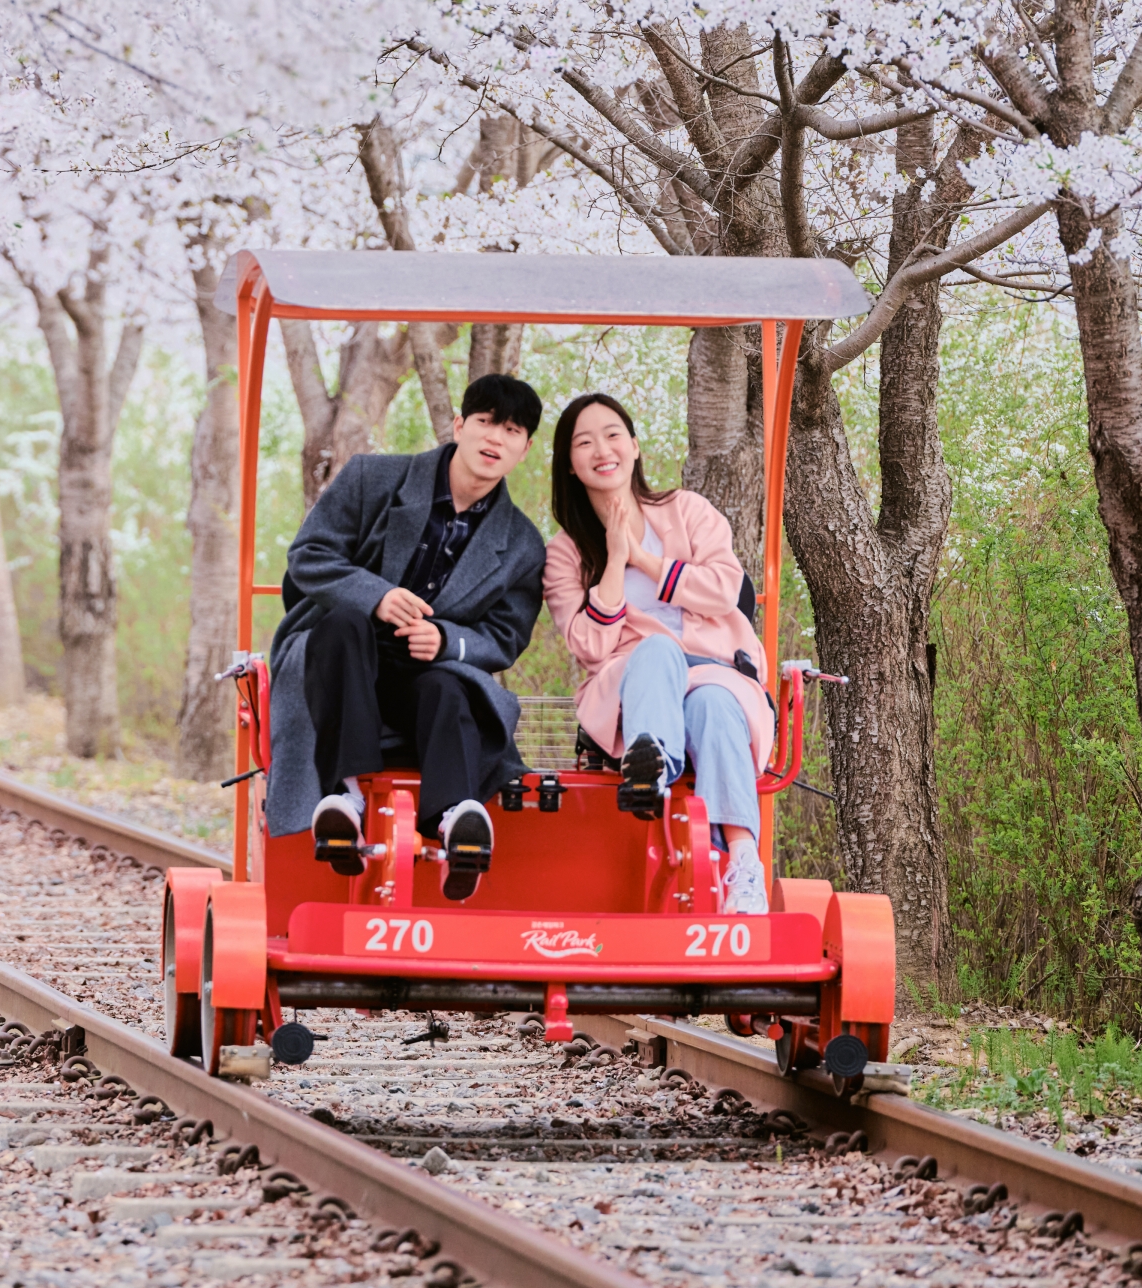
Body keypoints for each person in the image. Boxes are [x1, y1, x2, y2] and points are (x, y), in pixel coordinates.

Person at [267, 373, 547, 902]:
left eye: (511, 430)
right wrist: (374, 595)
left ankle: (454, 823)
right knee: (346, 625)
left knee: (450, 690)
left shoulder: (522, 544)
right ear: (459, 425)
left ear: (525, 448)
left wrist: (447, 641)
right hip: (341, 654)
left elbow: (505, 637)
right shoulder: (374, 478)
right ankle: (345, 799)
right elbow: (309, 556)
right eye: (485, 422)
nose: (494, 439)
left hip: (423, 671)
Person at [539, 391, 773, 916]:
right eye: (584, 441)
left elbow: (721, 589)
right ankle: (654, 765)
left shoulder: (688, 511)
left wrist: (642, 557)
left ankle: (743, 864)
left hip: (714, 672)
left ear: (635, 446)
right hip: (636, 685)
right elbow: (590, 645)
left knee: (712, 702)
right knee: (657, 650)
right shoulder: (565, 552)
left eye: (613, 434)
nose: (602, 448)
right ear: (571, 466)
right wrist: (614, 562)